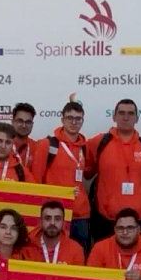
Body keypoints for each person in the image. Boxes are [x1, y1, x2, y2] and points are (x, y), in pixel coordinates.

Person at [87, 99, 141, 242]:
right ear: (114, 116)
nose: (126, 117)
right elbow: (85, 171)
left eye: (131, 113)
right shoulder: (99, 143)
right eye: (121, 113)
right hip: (107, 221)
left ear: (137, 118)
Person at [40, 101, 91, 252]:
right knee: (53, 256)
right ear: (62, 119)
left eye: (78, 119)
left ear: (82, 121)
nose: (74, 122)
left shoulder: (85, 147)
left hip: (80, 214)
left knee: (79, 257)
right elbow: (36, 180)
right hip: (55, 214)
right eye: (70, 118)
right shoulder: (48, 145)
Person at [24, 201, 86, 265]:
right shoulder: (26, 246)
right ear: (40, 221)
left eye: (57, 219)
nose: (52, 223)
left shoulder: (76, 249)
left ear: (63, 222)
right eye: (47, 218)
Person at [10, 102, 46, 178]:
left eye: (28, 122)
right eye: (20, 121)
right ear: (12, 122)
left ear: (32, 124)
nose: (24, 125)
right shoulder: (2, 145)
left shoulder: (37, 148)